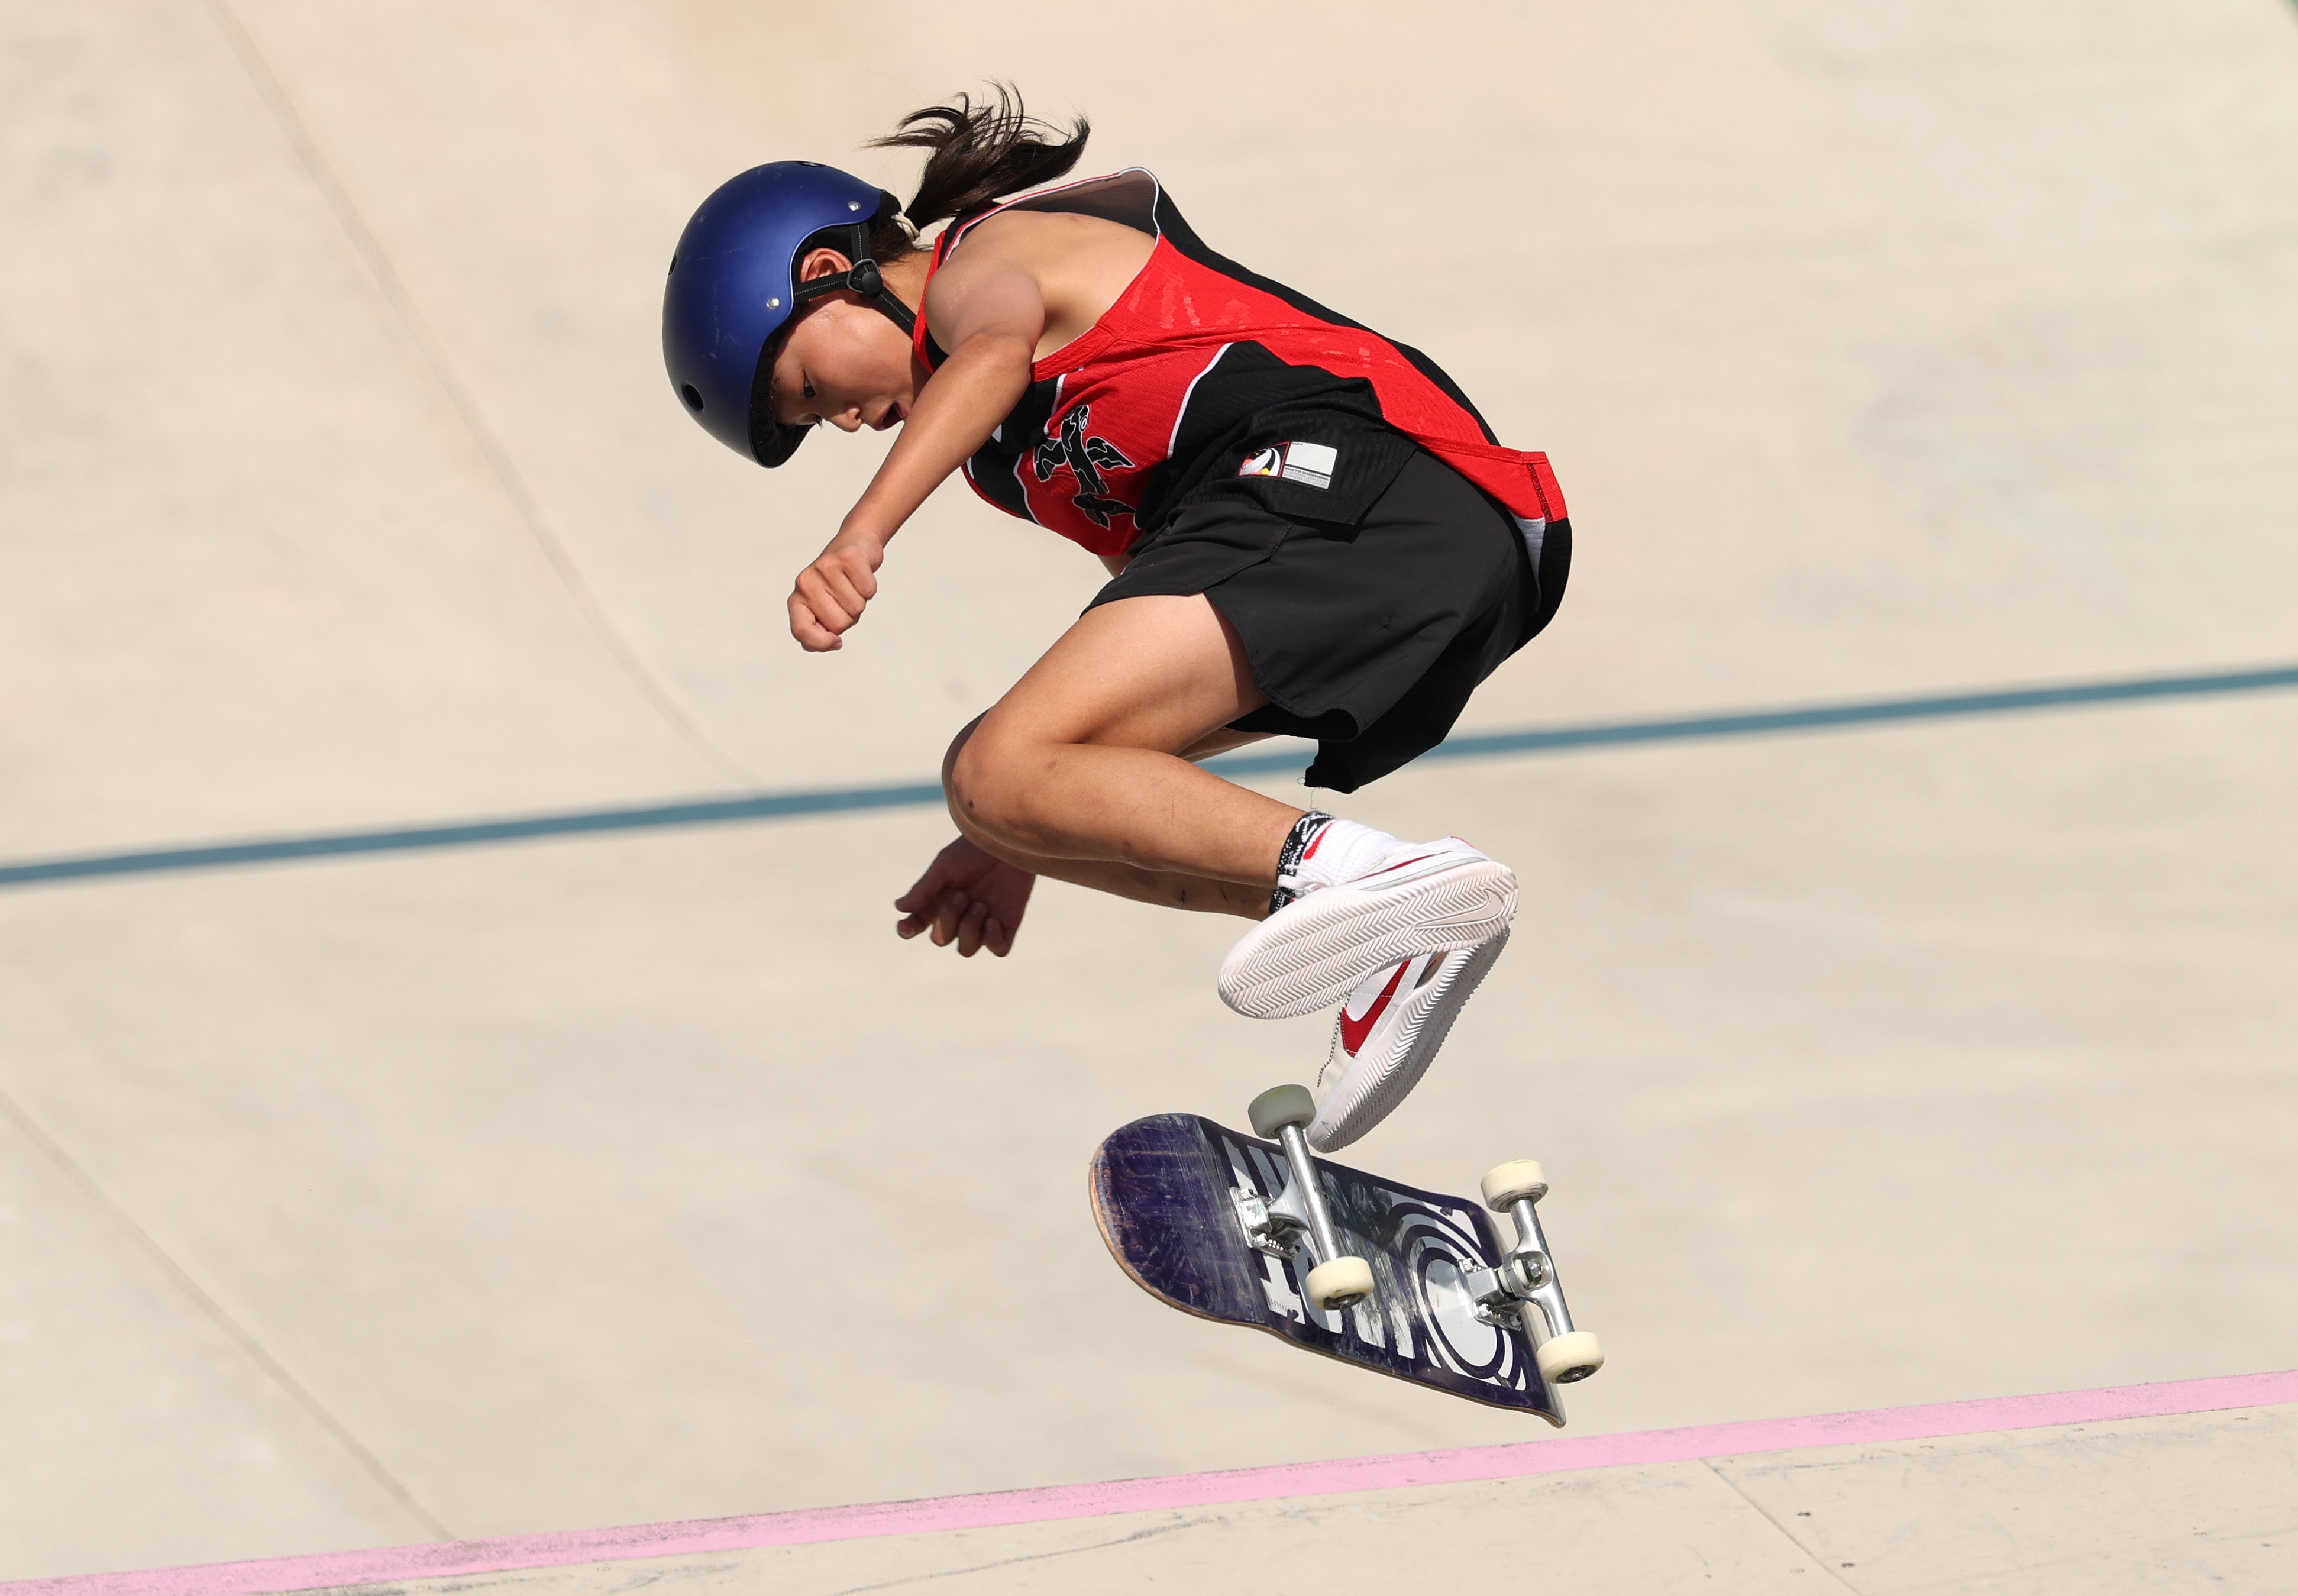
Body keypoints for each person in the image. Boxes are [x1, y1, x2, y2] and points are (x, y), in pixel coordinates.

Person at [662, 89, 1571, 1151]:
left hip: (1362, 475)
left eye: (816, 390)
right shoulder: (1014, 466)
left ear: (830, 275)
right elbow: (1159, 617)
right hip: (1420, 554)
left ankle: (1380, 885)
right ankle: (1381, 925)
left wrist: (860, 536)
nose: (852, 422)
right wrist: (1028, 824)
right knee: (995, 777)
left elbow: (993, 354)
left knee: (994, 766)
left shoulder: (981, 262)